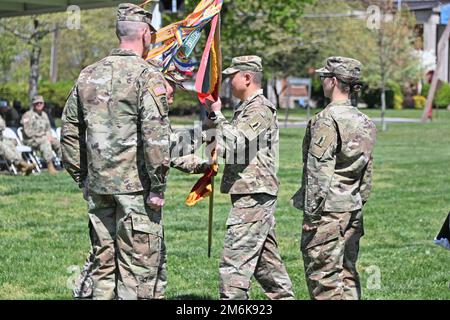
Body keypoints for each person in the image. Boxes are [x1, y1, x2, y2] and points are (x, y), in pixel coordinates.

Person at [61, 3, 202, 300]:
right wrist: (158, 186)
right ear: (144, 34)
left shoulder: (87, 75)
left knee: (103, 267)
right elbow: (155, 137)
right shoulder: (147, 76)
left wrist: (82, 177)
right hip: (136, 190)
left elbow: (69, 131)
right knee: (138, 271)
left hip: (100, 187)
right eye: (151, 32)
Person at [206, 56, 294, 300]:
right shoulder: (245, 108)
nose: (227, 81)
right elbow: (225, 147)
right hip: (249, 193)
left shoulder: (260, 108)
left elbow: (235, 142)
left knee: (233, 269)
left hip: (254, 195)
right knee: (268, 269)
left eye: (231, 76)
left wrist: (217, 115)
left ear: (247, 77)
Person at [291, 56, 377, 300]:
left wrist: (311, 215)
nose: (322, 82)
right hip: (352, 209)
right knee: (347, 275)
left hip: (328, 213)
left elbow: (319, 172)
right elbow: (367, 173)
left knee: (324, 281)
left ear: (333, 81)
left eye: (323, 77)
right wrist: (357, 203)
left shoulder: (326, 120)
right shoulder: (365, 121)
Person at [20, 95, 61, 174]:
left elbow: (48, 129)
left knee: (57, 142)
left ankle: (66, 165)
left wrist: (49, 135)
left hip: (42, 138)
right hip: (30, 140)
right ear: (33, 105)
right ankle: (50, 166)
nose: (39, 104)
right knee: (45, 142)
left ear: (43, 104)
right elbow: (28, 132)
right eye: (37, 103)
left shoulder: (44, 115)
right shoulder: (28, 115)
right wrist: (43, 135)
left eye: (41, 103)